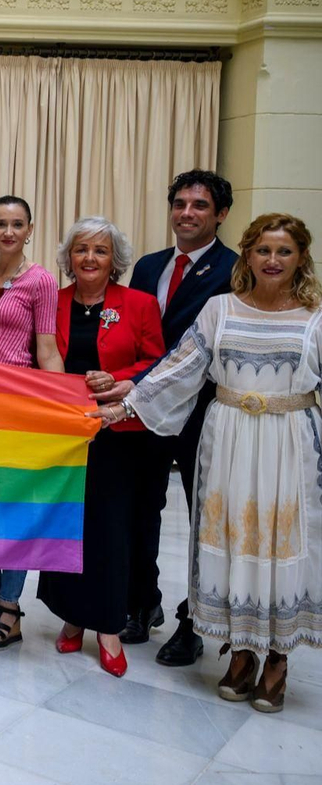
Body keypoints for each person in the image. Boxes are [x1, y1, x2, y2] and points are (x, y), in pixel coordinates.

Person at [96, 213, 322, 713]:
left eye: (284, 251)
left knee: (282, 541)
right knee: (231, 537)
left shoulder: (316, 317)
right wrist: (126, 407)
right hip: (228, 441)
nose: (272, 260)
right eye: (263, 250)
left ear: (301, 258)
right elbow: (179, 368)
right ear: (248, 255)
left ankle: (279, 658)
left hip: (290, 442)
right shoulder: (220, 309)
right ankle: (240, 653)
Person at [37, 217, 164, 678]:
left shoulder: (140, 304)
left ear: (116, 260)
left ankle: (108, 626)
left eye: (100, 251)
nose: (89, 258)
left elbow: (158, 361)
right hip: (66, 432)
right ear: (68, 257)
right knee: (68, 524)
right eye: (81, 249)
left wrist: (123, 379)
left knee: (111, 529)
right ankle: (73, 616)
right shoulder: (53, 302)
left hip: (119, 433)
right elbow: (37, 356)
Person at [125, 170, 237, 666]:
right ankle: (142, 601)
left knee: (200, 520)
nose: (186, 213)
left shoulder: (237, 269)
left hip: (204, 413)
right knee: (141, 510)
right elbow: (137, 335)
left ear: (220, 215)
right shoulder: (149, 266)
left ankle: (194, 622)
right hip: (148, 411)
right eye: (180, 204)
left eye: (199, 205)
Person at [0, 195, 63, 651]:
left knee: (16, 508)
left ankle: (10, 606)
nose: (8, 232)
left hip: (18, 409)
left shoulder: (41, 281)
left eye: (17, 224)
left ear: (30, 229)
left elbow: (47, 350)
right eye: (0, 224)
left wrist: (62, 407)